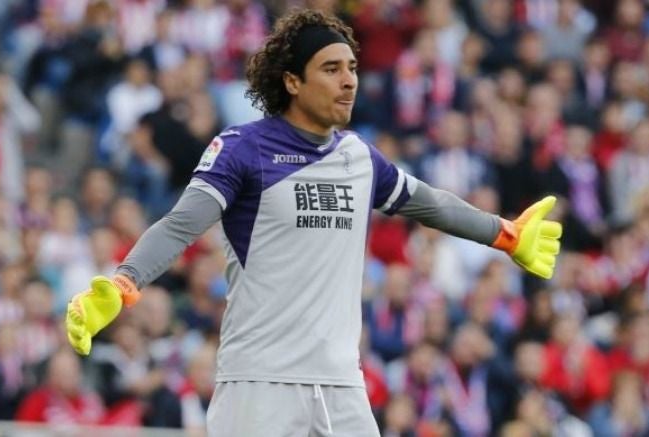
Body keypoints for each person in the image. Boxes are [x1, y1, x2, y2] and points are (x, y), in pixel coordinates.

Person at [65, 9, 562, 436]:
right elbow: (178, 226)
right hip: (258, 383)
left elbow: (429, 202)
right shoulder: (243, 148)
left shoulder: (358, 157)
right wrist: (125, 280)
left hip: (342, 384)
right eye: (331, 69)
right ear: (292, 81)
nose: (349, 80)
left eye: (352, 68)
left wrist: (504, 233)